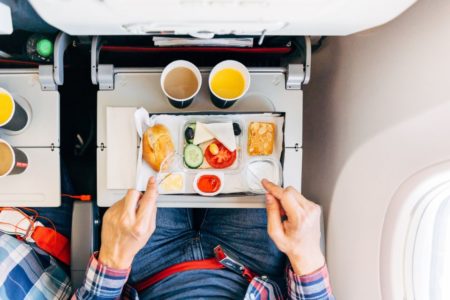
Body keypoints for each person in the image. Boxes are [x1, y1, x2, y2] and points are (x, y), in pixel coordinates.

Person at [0, 177, 334, 299]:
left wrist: (115, 257)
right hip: (249, 264)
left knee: (145, 147)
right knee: (246, 142)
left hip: (149, 266)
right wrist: (305, 253)